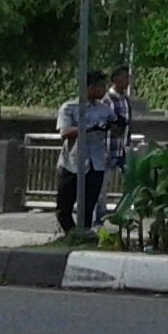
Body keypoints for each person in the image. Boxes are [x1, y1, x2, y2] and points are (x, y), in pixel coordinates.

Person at [54, 69, 114, 236]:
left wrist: (116, 125)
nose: (103, 90)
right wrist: (88, 128)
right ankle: (72, 235)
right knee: (63, 207)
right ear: (89, 87)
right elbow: (64, 132)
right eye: (100, 86)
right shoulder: (70, 107)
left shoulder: (104, 109)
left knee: (88, 206)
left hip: (96, 163)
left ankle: (84, 236)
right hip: (72, 163)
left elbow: (114, 127)